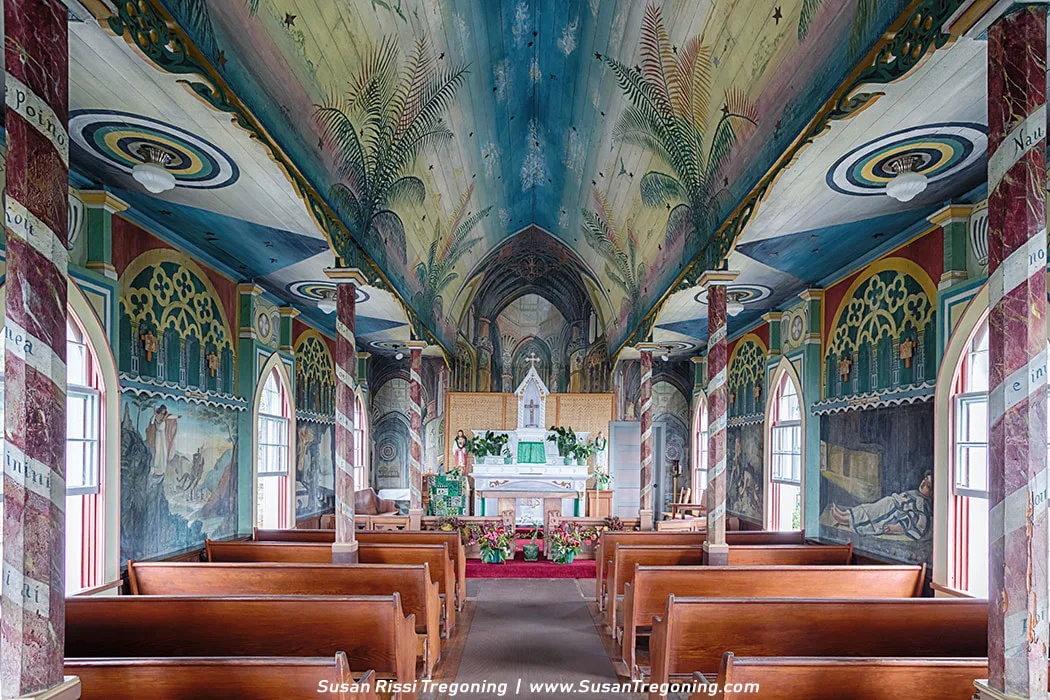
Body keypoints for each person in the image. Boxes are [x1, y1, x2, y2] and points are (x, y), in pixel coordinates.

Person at [829, 472, 933, 540]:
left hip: (894, 513)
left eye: (928, 485)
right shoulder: (915, 493)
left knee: (873, 515)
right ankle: (846, 515)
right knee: (869, 508)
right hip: (889, 505)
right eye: (924, 479)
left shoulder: (921, 502)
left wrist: (897, 527)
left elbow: (915, 520)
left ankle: (848, 520)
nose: (923, 483)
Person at [145, 404, 180, 477]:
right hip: (158, 434)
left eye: (165, 410)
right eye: (163, 410)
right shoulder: (156, 416)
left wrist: (177, 417)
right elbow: (152, 422)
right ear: (161, 410)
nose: (164, 412)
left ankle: (163, 469)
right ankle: (156, 469)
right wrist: (154, 415)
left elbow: (171, 417)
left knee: (164, 451)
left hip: (163, 435)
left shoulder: (165, 417)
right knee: (158, 451)